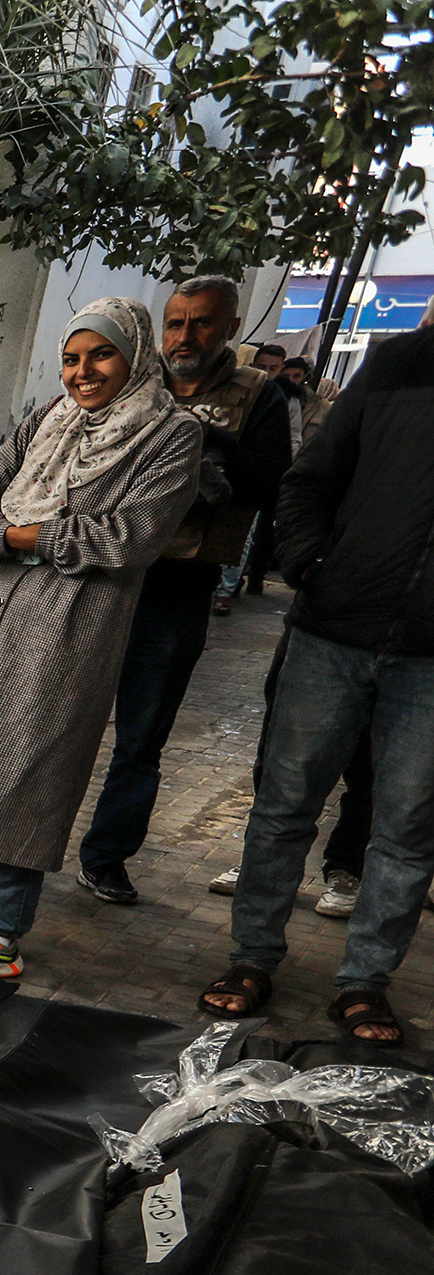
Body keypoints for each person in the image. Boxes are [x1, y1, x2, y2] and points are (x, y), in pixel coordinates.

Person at [0, 298, 201, 981]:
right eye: (71, 358)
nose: (82, 372)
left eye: (101, 355)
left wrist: (17, 536)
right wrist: (23, 536)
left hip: (68, 627)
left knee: (23, 775)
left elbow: (129, 540)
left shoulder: (169, 434)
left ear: (135, 357)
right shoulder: (46, 420)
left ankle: (1, 929)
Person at [199, 320, 434, 1047]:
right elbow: (311, 477)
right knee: (285, 803)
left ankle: (364, 982)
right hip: (334, 628)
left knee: (408, 827)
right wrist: (307, 563)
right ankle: (251, 957)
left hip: (431, 660)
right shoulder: (398, 365)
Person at [73, 277, 291, 906]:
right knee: (58, 717)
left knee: (142, 734)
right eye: (175, 323)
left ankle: (106, 857)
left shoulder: (259, 394)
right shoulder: (132, 377)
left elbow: (272, 484)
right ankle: (20, 847)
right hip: (100, 573)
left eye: (201, 322)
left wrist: (204, 438)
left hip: (179, 582)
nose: (185, 336)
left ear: (231, 328)